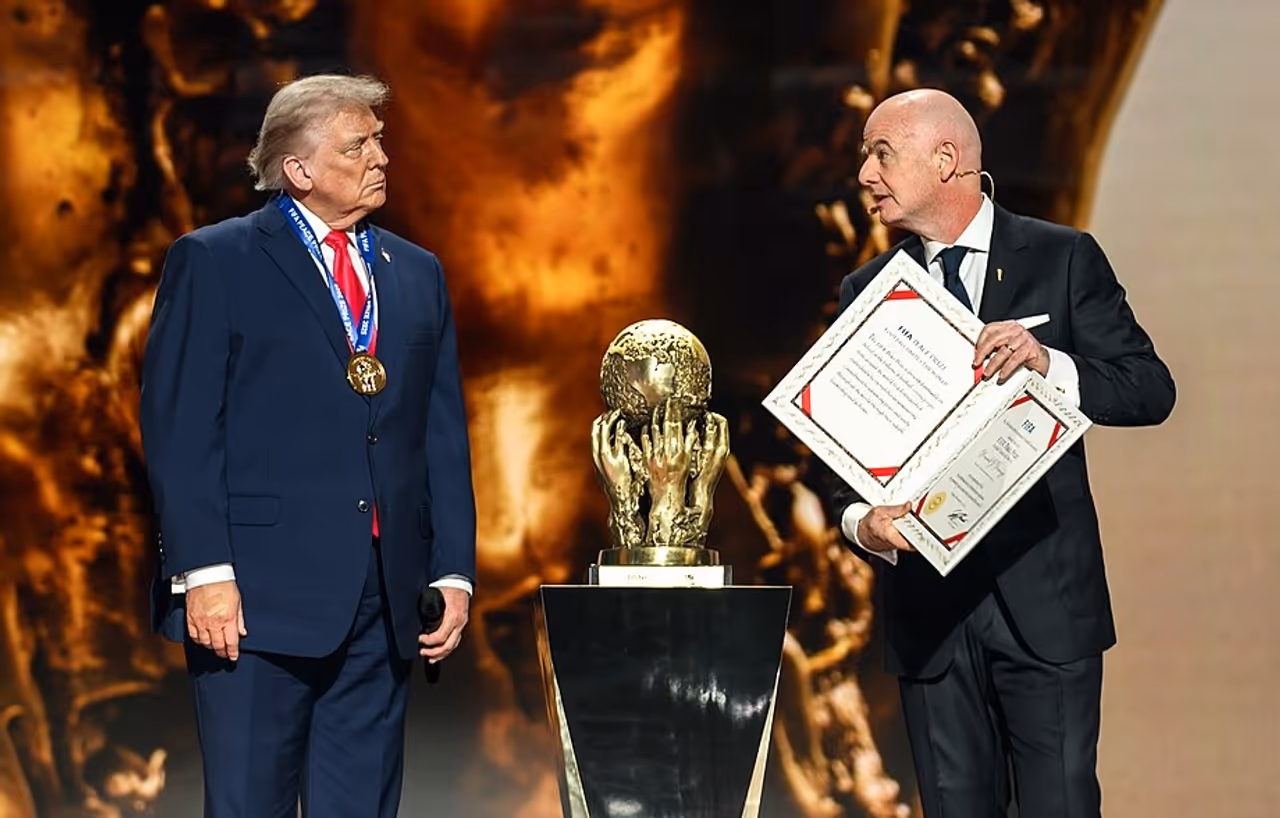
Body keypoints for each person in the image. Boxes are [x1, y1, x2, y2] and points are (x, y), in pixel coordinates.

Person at [825, 89, 1175, 818]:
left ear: (945, 158)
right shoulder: (868, 293)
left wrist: (1051, 365)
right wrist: (865, 524)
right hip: (929, 618)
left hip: (1044, 608)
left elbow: (1148, 390)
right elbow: (836, 471)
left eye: (880, 152)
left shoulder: (1062, 257)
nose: (864, 174)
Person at [139, 74, 476, 817]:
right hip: (255, 600)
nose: (381, 157)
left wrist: (453, 569)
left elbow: (441, 431)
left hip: (383, 601)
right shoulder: (216, 260)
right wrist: (203, 572)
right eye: (358, 145)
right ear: (299, 170)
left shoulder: (415, 273)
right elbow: (182, 428)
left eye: (380, 140)